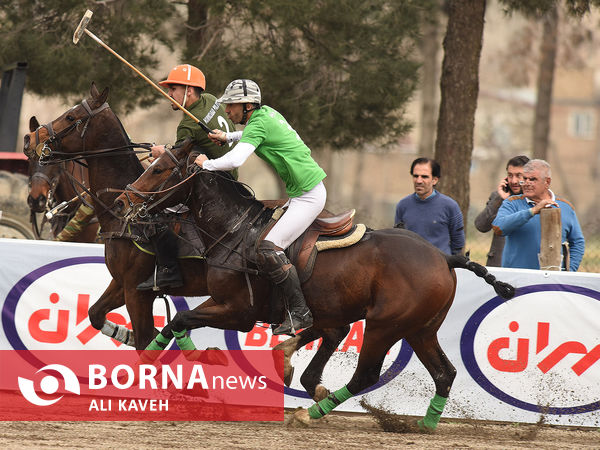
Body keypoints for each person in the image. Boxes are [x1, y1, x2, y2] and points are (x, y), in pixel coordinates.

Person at [195, 79, 326, 336]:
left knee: (268, 248)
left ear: (247, 105)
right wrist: (228, 135)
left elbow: (236, 158)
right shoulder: (266, 115)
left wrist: (206, 163)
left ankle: (300, 313)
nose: (228, 111)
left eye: (231, 106)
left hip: (309, 197)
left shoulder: (260, 121)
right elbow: (249, 134)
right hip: (303, 192)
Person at [137, 64, 237, 291]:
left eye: (173, 89)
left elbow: (179, 160)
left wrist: (162, 153)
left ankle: (168, 272)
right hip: (233, 176)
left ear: (189, 91)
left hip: (215, 185)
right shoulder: (211, 99)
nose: (168, 95)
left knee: (156, 210)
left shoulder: (187, 126)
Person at [492, 159, 585, 271]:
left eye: (532, 179)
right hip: (516, 280)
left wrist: (569, 270)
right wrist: (532, 211)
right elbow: (498, 228)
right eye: (525, 179)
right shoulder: (512, 202)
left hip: (554, 279)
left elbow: (577, 243)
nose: (526, 183)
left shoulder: (566, 207)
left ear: (547, 182)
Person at [394, 157, 465, 255]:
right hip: (409, 265)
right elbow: (398, 239)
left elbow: (458, 243)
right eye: (415, 176)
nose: (419, 181)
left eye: (424, 176)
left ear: (435, 180)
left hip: (440, 267)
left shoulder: (450, 206)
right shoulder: (403, 205)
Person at [474, 155, 530, 266]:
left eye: (519, 175)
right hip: (498, 264)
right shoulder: (497, 197)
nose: (513, 181)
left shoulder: (535, 200)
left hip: (525, 265)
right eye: (510, 175)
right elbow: (481, 226)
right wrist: (501, 199)